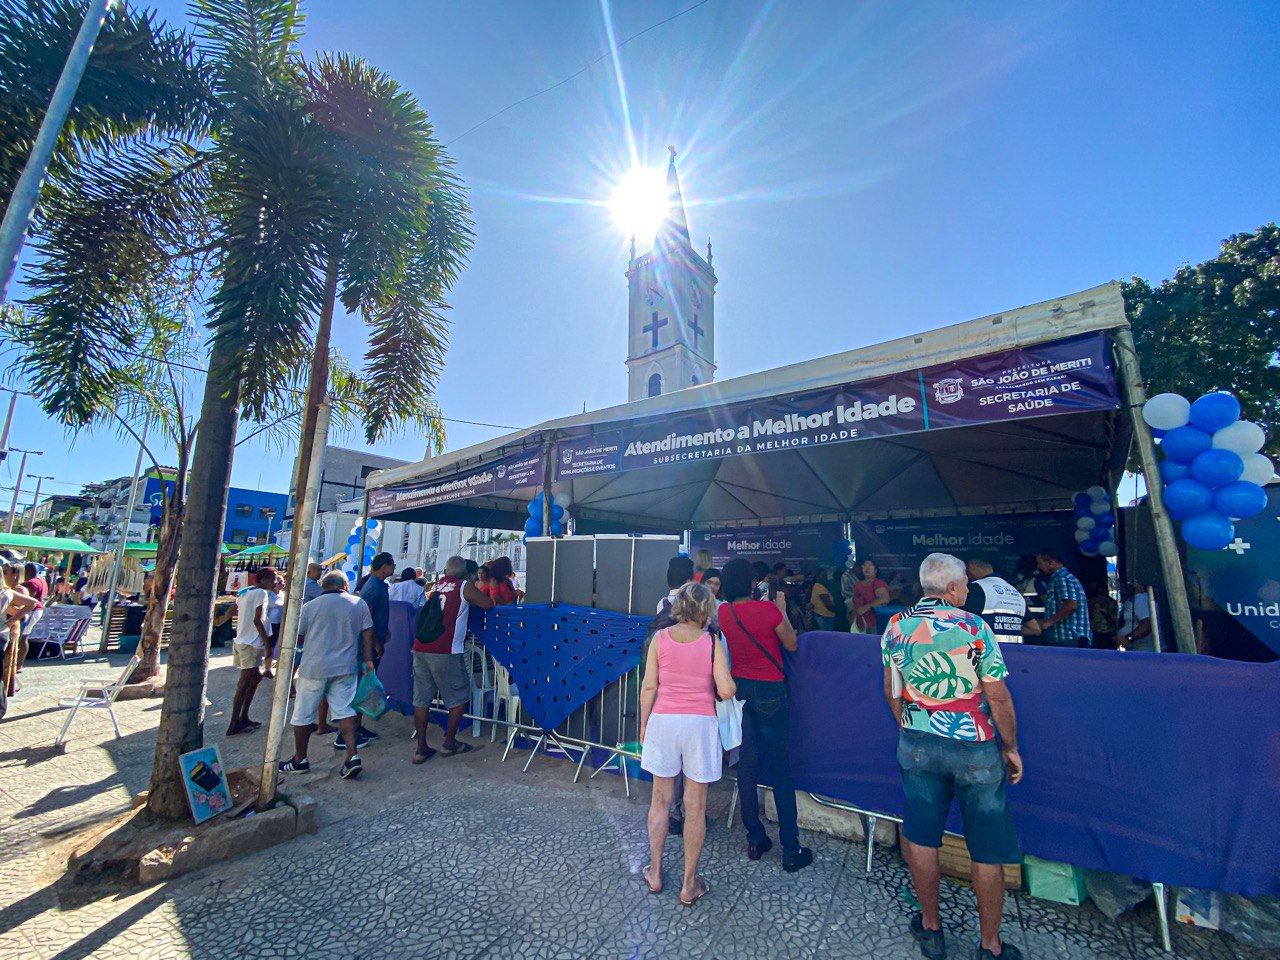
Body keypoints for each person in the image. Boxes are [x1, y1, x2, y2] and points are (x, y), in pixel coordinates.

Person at [881, 553, 1024, 960]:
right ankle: (990, 945)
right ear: (951, 589)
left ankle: (931, 928)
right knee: (986, 847)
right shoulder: (974, 627)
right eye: (963, 585)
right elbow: (997, 694)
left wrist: (910, 726)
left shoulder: (895, 626)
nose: (965, 590)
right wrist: (1010, 747)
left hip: (917, 744)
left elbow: (892, 689)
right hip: (975, 748)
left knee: (922, 837)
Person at [639, 581, 736, 905]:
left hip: (663, 722)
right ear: (707, 608)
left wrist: (643, 727)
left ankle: (654, 872)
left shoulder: (660, 638)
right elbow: (725, 690)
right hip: (699, 726)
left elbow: (649, 687)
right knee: (695, 807)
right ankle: (689, 884)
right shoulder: (712, 641)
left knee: (660, 801)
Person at [719, 558, 813, 872]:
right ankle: (791, 848)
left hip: (741, 692)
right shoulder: (768, 611)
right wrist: (782, 608)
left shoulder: (724, 612)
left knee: (747, 765)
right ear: (751, 583)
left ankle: (755, 839)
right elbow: (791, 642)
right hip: (771, 691)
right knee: (780, 770)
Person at [278, 571, 376, 780]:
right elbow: (368, 635)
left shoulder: (309, 607)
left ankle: (300, 759)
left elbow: (299, 636)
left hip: (313, 668)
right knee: (346, 712)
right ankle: (352, 756)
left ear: (323, 587)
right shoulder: (358, 604)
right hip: (345, 667)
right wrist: (368, 662)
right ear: (346, 586)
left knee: (303, 715)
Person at [411, 555, 494, 762]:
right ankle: (449, 743)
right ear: (466, 572)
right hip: (446, 649)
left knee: (421, 699)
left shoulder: (439, 585)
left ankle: (421, 749)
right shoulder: (463, 585)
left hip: (421, 647)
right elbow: (487, 604)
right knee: (458, 698)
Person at [342, 552, 395, 750]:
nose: (394, 568)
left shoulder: (378, 585)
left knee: (365, 686)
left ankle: (357, 727)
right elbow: (366, 618)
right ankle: (348, 733)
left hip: (374, 641)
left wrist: (384, 631)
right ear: (385, 567)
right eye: (392, 565)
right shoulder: (373, 587)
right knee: (361, 686)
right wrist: (374, 642)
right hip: (368, 647)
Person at [227, 567, 275, 736]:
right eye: (273, 578)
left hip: (242, 640)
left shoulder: (245, 593)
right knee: (244, 683)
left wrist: (219, 621)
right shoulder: (261, 593)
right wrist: (268, 645)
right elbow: (257, 619)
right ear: (263, 579)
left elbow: (232, 609)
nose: (275, 582)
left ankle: (244, 716)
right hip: (251, 643)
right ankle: (234, 723)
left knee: (254, 678)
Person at [1032, 550, 1092, 648]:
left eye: (1040, 563)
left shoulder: (1062, 578)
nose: (1038, 567)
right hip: (1067, 639)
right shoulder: (1059, 578)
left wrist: (1049, 622)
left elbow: (1071, 605)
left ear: (1050, 562)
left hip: (1070, 638)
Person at [963, 557, 1027, 644]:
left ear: (971, 566)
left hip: (987, 653)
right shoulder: (1015, 592)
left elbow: (960, 622)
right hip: (1015, 652)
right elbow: (1034, 628)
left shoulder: (976, 588)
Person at [16, 563, 47, 672]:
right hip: (37, 610)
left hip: (32, 611)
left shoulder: (32, 583)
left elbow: (28, 597)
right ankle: (19, 664)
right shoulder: (42, 580)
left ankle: (19, 664)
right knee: (24, 637)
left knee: (22, 638)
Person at [849, 558, 890, 634]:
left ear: (875, 570)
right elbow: (855, 604)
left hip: (875, 624)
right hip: (859, 625)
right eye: (864, 566)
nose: (867, 568)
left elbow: (884, 599)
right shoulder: (858, 585)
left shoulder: (878, 583)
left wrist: (867, 607)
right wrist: (852, 621)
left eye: (870, 565)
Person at [1117, 584, 1153, 651]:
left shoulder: (1141, 599)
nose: (1125, 587)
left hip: (1144, 651)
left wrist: (1128, 638)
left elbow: (1147, 624)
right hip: (1135, 649)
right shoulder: (1133, 600)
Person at [263, 575, 285, 678]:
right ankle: (267, 669)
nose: (282, 584)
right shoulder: (268, 594)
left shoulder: (284, 594)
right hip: (269, 624)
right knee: (269, 647)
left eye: (283, 582)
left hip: (280, 624)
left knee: (277, 646)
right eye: (279, 582)